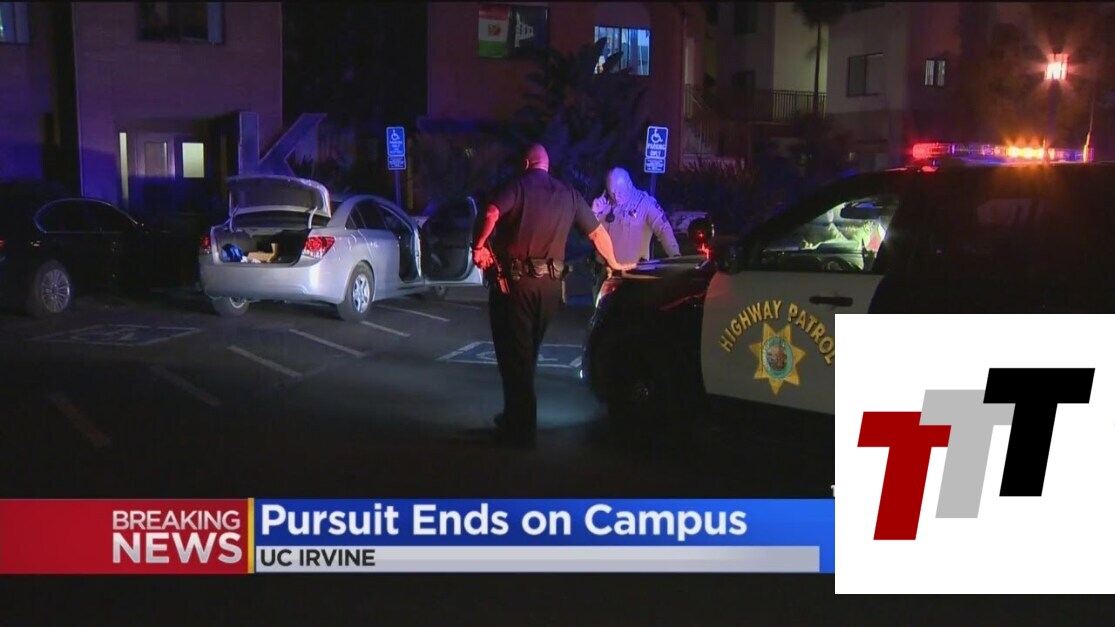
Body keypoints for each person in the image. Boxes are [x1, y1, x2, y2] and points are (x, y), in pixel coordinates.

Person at [471, 144, 634, 448]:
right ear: (546, 165)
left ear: (526, 163)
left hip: (516, 285)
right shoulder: (568, 194)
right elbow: (597, 233)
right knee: (527, 355)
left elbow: (491, 212)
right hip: (550, 289)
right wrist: (614, 262)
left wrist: (479, 246)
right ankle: (514, 417)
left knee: (515, 357)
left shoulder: (517, 187)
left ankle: (521, 430)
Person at [589, 167, 681, 300]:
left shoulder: (645, 204)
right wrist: (593, 213)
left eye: (620, 192)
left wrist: (675, 257)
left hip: (634, 275)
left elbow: (664, 230)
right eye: (612, 192)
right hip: (606, 275)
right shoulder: (603, 205)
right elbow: (591, 235)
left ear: (629, 184)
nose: (616, 197)